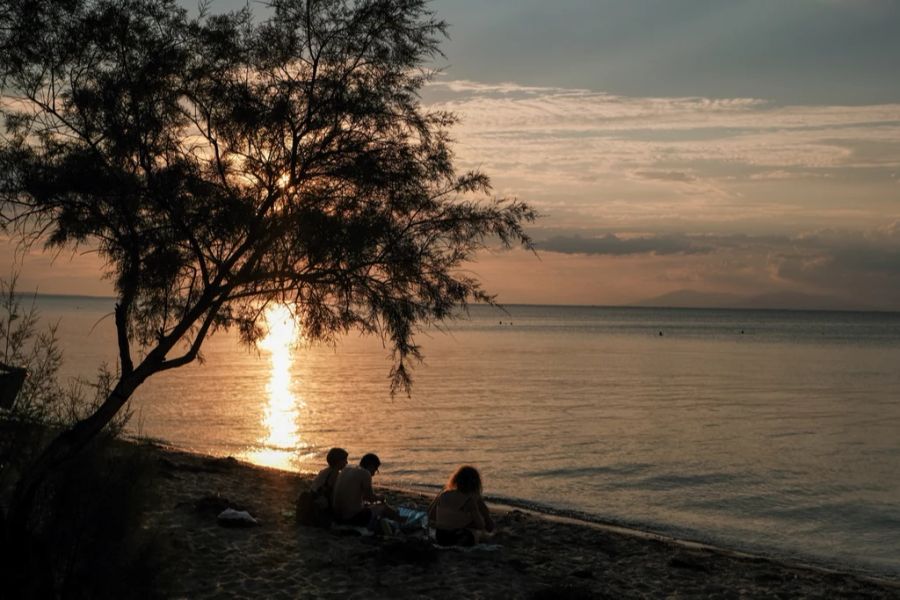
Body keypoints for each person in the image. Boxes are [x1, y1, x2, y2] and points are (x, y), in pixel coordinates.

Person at [428, 465, 495, 546]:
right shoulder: (469, 500)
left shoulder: (444, 494)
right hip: (460, 537)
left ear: (456, 480)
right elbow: (481, 525)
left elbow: (431, 516)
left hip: (441, 536)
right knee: (481, 533)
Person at [331, 453, 398, 527]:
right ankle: (402, 521)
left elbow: (356, 495)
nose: (374, 474)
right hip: (351, 519)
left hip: (337, 517)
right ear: (371, 466)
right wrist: (381, 497)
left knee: (368, 505)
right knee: (383, 507)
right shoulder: (365, 473)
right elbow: (370, 498)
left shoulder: (346, 469)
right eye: (375, 470)